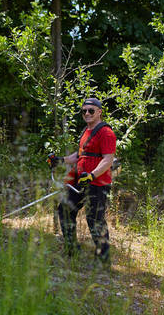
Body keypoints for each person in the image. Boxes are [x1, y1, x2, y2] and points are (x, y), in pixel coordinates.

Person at [47, 97, 116, 263]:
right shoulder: (86, 131)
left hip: (97, 183)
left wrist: (92, 174)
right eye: (84, 111)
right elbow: (79, 156)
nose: (87, 113)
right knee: (65, 209)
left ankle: (103, 260)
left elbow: (108, 159)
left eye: (91, 110)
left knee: (94, 220)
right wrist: (60, 160)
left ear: (99, 112)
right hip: (80, 181)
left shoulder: (106, 133)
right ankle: (72, 250)